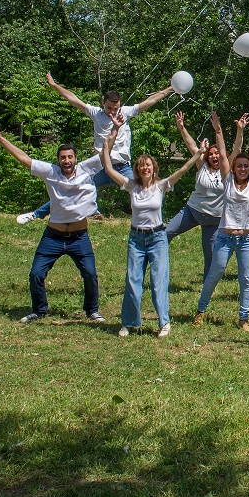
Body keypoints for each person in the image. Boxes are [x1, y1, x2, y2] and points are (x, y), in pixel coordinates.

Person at [0, 124, 106, 324]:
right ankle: (39, 310)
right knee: (36, 274)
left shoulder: (86, 169)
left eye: (70, 157)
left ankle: (92, 310)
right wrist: (1, 140)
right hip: (53, 237)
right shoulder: (50, 172)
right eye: (63, 158)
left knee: (90, 274)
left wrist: (115, 128)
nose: (66, 161)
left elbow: (106, 152)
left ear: (75, 159)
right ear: (58, 160)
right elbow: (24, 159)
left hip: (79, 237)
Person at [16, 73, 173, 224]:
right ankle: (36, 214)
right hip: (101, 166)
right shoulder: (96, 113)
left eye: (116, 108)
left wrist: (170, 89)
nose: (113, 112)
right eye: (109, 108)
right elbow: (72, 98)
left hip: (122, 167)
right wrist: (54, 85)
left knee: (146, 188)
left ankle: (156, 222)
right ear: (103, 103)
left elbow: (150, 101)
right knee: (71, 188)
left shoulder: (125, 112)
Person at [101, 113, 205, 338]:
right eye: (141, 166)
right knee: (133, 281)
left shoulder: (161, 186)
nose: (145, 168)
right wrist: (111, 138)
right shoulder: (131, 186)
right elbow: (108, 168)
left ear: (153, 168)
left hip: (158, 238)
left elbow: (183, 170)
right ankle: (129, 323)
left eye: (148, 165)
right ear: (137, 170)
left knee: (158, 282)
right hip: (136, 239)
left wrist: (198, 154)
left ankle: (164, 323)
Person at [193, 113, 249, 331]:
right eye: (240, 166)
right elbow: (225, 151)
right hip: (225, 238)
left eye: (246, 166)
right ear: (234, 167)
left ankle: (244, 318)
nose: (243, 169)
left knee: (246, 280)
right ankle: (200, 311)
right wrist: (219, 130)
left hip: (247, 238)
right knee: (214, 274)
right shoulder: (227, 180)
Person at [164, 111, 230, 283]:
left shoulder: (227, 171)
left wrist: (219, 130)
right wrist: (181, 127)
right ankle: (158, 265)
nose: (214, 156)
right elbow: (192, 146)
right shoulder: (203, 166)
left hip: (214, 221)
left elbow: (232, 150)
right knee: (166, 233)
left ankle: (207, 286)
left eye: (217, 153)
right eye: (211, 154)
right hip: (192, 212)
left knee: (211, 256)